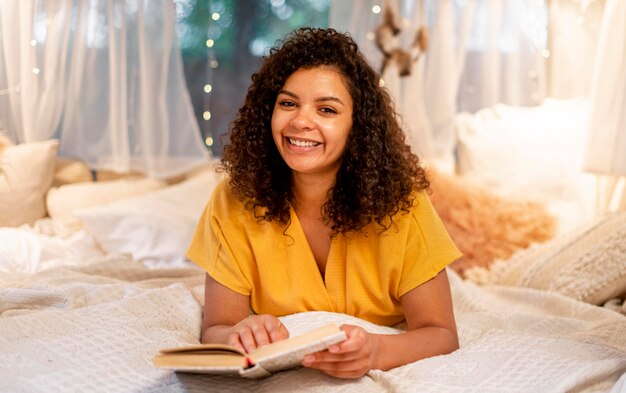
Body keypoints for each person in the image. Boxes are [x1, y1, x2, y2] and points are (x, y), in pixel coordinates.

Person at [186, 27, 462, 379]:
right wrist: (238, 335)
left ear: (357, 126)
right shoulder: (232, 200)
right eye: (288, 103)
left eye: (327, 109)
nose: (301, 121)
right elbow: (218, 327)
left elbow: (441, 333)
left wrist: (376, 350)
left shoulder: (403, 204)